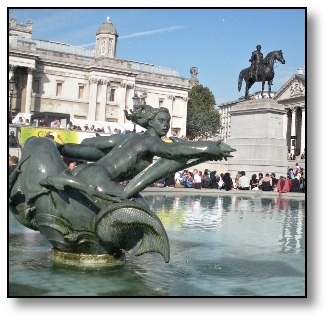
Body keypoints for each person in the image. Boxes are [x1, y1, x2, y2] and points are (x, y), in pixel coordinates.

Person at [60, 105, 235, 200]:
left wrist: (62, 148)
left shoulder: (127, 138)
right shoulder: (151, 141)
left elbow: (89, 144)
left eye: (168, 121)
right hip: (99, 179)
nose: (165, 125)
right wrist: (212, 147)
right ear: (150, 123)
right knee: (134, 203)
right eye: (161, 121)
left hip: (84, 172)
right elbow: (172, 150)